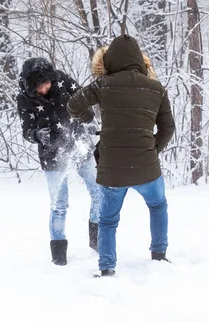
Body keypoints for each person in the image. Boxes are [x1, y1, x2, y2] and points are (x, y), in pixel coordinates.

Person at [67, 35, 176, 277]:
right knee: (158, 206)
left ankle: (107, 269)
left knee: (108, 220)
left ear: (109, 61)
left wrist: (91, 122)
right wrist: (152, 151)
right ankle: (159, 256)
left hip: (112, 170)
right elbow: (168, 128)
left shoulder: (103, 85)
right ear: (140, 60)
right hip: (147, 167)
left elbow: (73, 105)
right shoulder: (156, 88)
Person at [16, 57, 102, 266]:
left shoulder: (62, 81)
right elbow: (26, 130)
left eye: (48, 83)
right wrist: (36, 134)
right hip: (52, 155)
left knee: (99, 192)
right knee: (59, 204)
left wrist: (89, 119)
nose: (46, 88)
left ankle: (97, 241)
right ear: (31, 86)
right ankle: (58, 255)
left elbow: (83, 97)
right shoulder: (24, 99)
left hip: (79, 146)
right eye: (41, 86)